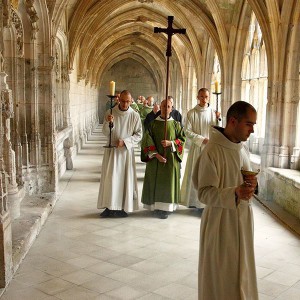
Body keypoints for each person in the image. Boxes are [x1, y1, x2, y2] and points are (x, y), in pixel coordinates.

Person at [193, 101, 258, 300]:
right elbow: (203, 192)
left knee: (242, 274)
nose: (252, 130)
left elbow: (243, 181)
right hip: (220, 224)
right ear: (232, 121)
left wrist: (252, 183)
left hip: (243, 221)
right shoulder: (212, 151)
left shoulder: (242, 148)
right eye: (249, 124)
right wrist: (234, 193)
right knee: (222, 279)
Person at [97, 90, 142, 218]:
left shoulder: (135, 115)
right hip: (112, 152)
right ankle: (108, 206)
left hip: (125, 153)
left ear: (131, 100)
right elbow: (105, 132)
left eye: (127, 101)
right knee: (110, 179)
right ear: (118, 99)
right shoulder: (110, 113)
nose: (125, 103)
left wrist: (126, 142)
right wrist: (108, 123)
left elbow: (139, 135)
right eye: (122, 100)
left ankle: (122, 206)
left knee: (123, 179)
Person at [141, 99, 186, 219]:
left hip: (171, 161)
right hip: (156, 161)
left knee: (168, 183)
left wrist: (171, 143)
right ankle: (156, 206)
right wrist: (156, 155)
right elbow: (146, 140)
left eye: (169, 106)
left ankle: (168, 207)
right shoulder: (153, 124)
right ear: (160, 107)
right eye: (164, 106)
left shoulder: (176, 125)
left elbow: (182, 140)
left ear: (172, 108)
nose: (166, 109)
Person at [180, 88, 221, 210]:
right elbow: (187, 131)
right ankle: (195, 202)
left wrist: (219, 119)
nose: (204, 99)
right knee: (196, 174)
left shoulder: (213, 113)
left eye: (206, 97)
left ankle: (207, 203)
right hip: (197, 148)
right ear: (197, 97)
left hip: (211, 149)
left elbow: (218, 129)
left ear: (209, 98)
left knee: (209, 176)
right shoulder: (191, 113)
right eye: (202, 97)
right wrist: (202, 139)